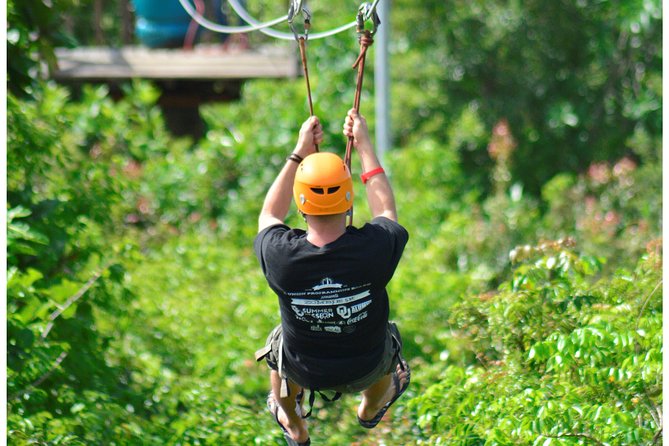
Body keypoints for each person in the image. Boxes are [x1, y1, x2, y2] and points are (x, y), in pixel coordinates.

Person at [254, 109, 410, 446]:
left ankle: (294, 424)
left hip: (301, 370)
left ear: (301, 202)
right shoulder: (374, 249)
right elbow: (386, 212)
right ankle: (370, 407)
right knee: (388, 346)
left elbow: (269, 214)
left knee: (276, 351)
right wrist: (365, 146)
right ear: (348, 199)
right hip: (366, 367)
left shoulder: (280, 255)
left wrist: (299, 153)